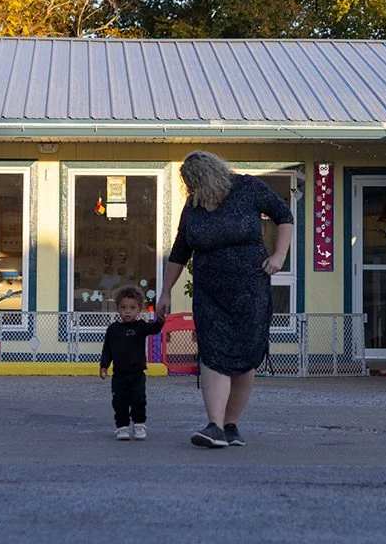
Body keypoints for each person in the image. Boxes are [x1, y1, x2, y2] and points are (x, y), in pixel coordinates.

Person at [156, 151, 293, 448]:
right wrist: (165, 291)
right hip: (209, 293)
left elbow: (284, 216)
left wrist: (279, 255)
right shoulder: (193, 206)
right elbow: (180, 251)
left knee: (245, 357)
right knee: (213, 352)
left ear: (213, 174)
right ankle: (214, 425)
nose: (193, 190)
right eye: (189, 184)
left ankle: (231, 425)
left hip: (250, 290)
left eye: (197, 182)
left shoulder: (248, 188)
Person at [99, 284, 166, 441]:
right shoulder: (113, 329)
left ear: (139, 309)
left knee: (139, 400)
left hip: (137, 374)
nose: (127, 311)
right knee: (119, 401)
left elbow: (155, 329)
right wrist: (104, 365)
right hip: (119, 375)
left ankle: (139, 425)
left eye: (132, 308)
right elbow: (107, 349)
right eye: (123, 307)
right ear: (118, 309)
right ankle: (122, 427)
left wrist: (161, 319)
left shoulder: (141, 326)